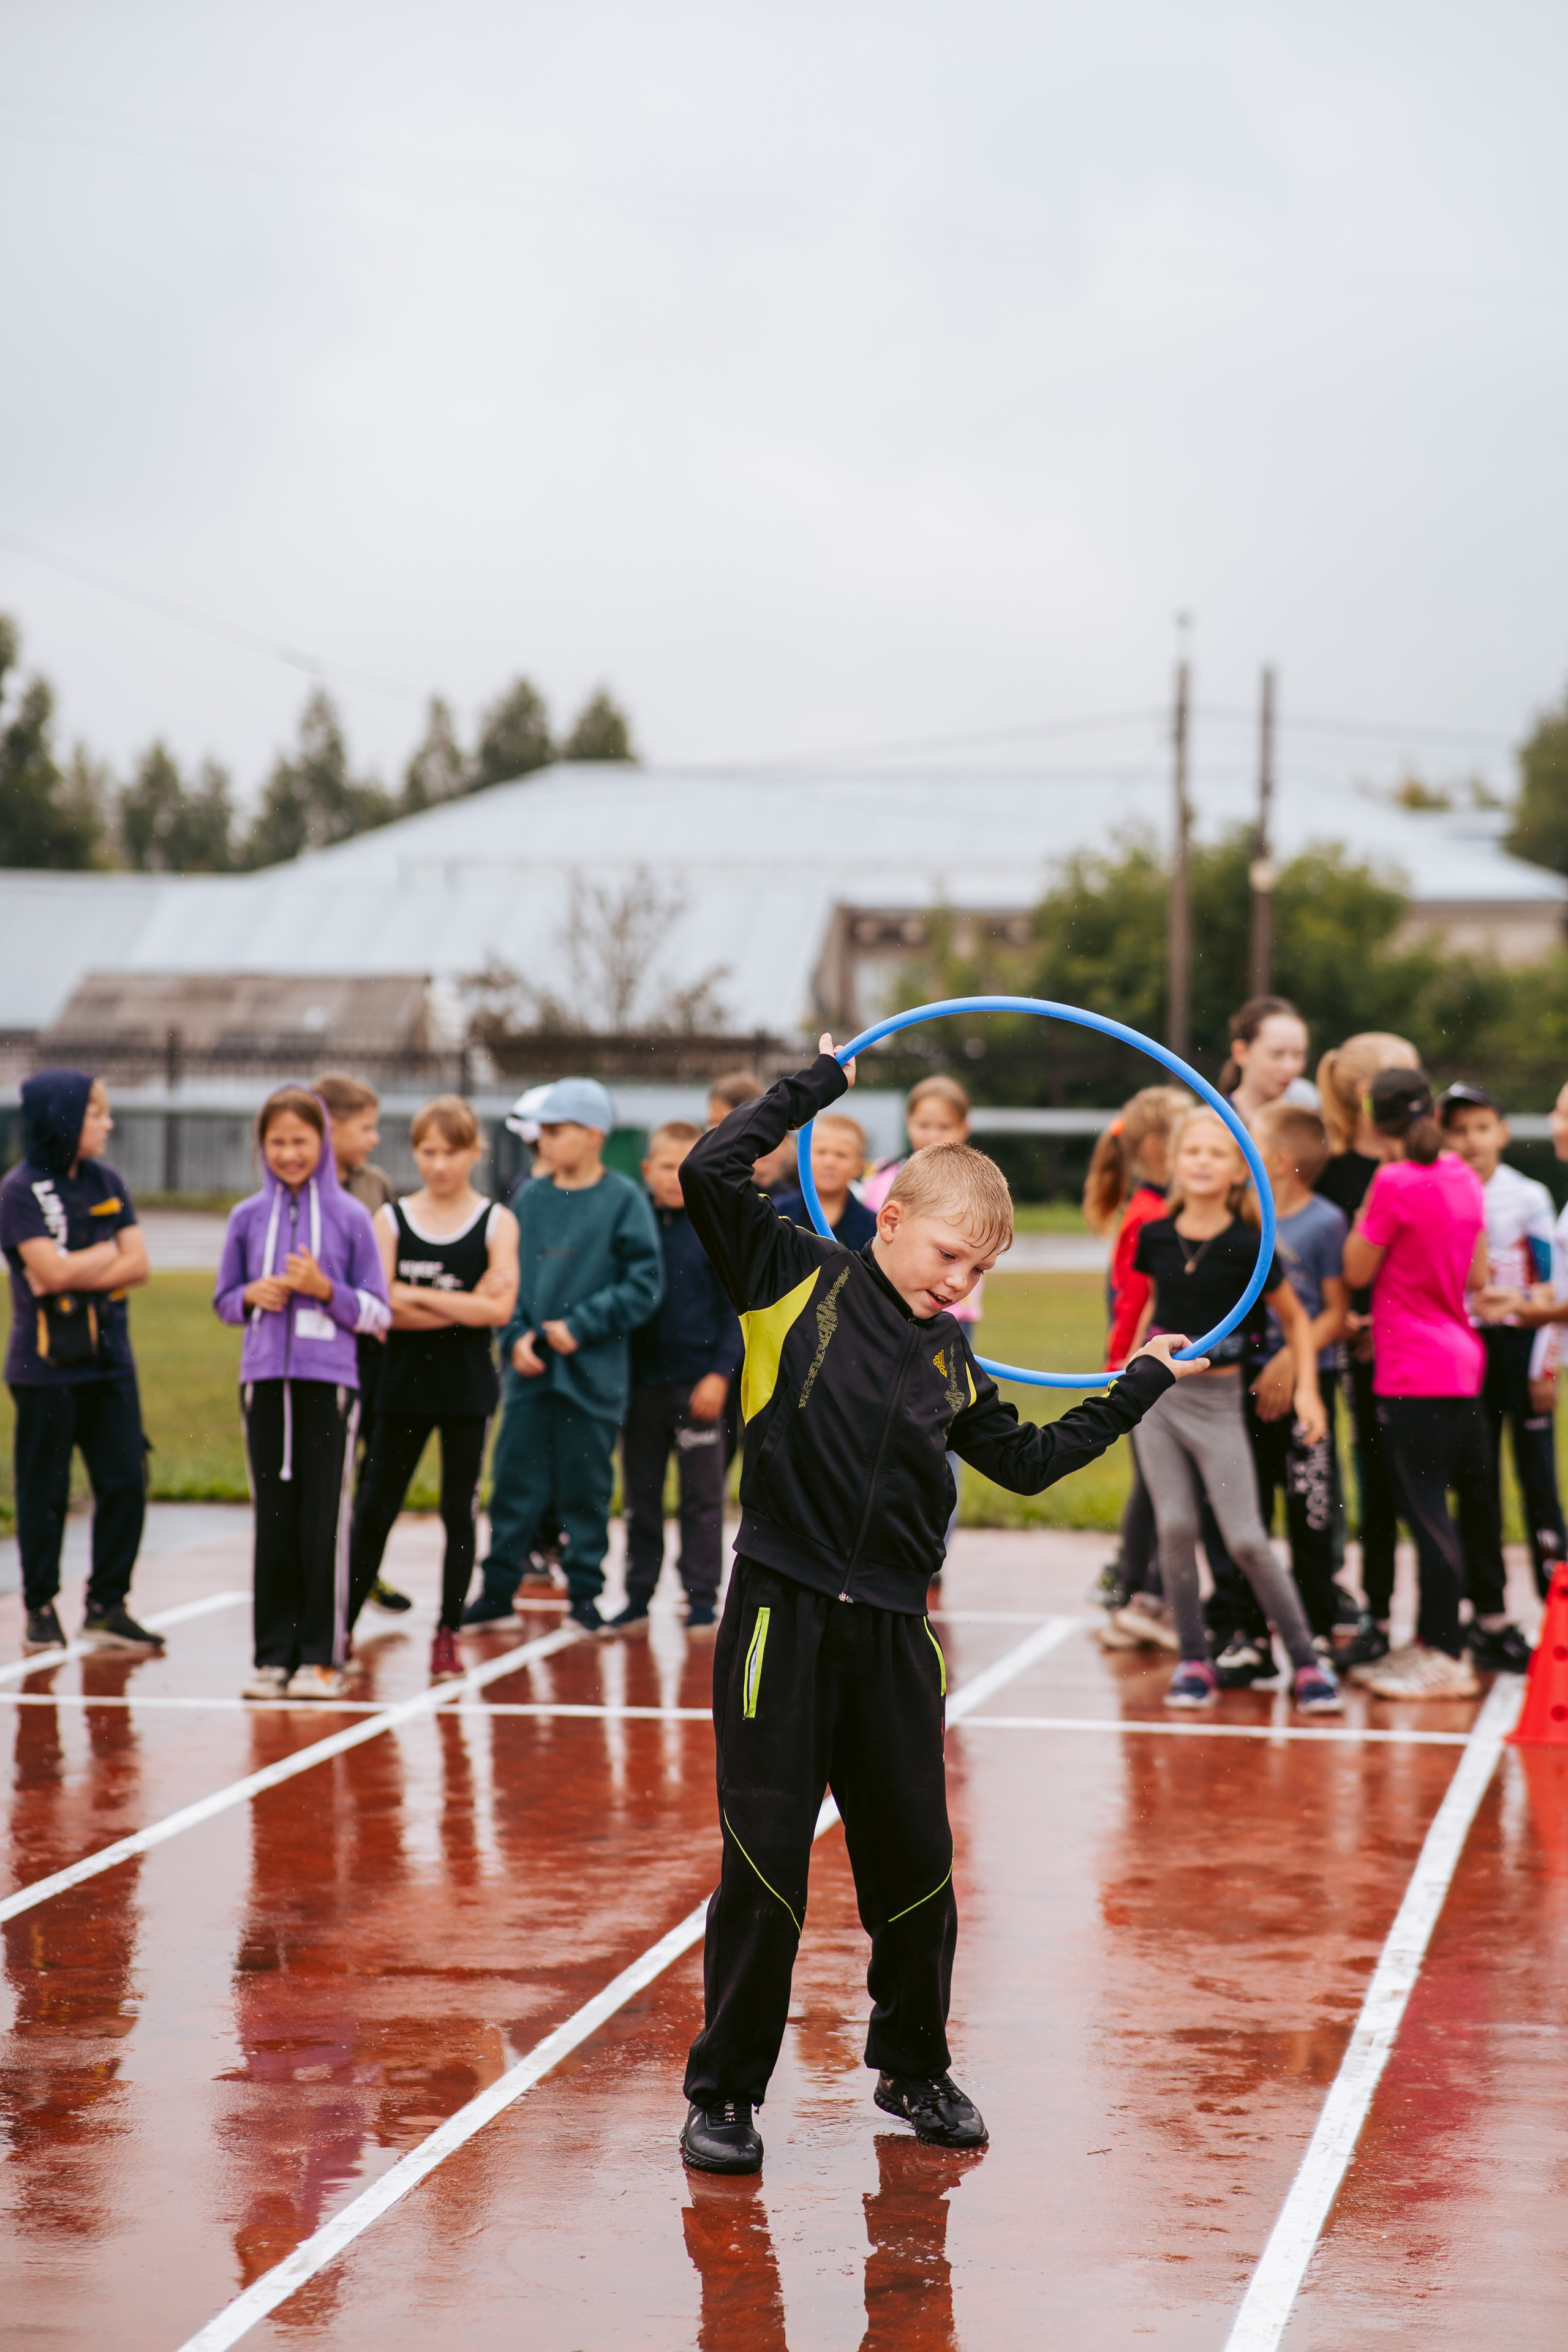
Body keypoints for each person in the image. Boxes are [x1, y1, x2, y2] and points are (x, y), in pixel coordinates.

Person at [675, 1036, 1200, 2176]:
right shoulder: (791, 1278)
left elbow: (1031, 1460)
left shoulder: (950, 1365)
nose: (959, 1285)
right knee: (765, 1865)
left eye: (978, 1274)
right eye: (950, 1256)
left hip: (894, 1634)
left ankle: (912, 2064)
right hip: (782, 1612)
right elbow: (709, 1172)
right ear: (891, 1213)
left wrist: (1143, 1381)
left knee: (916, 1867)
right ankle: (724, 2094)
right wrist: (815, 1088)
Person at [1129, 1107, 1342, 1714]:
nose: (1201, 1161)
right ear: (1174, 1161)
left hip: (1222, 1403)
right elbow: (1149, 1311)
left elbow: (1297, 1320)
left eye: (1216, 1153)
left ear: (1240, 1170)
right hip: (1161, 1403)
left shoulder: (1251, 1244)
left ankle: (1305, 1661)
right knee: (1174, 1528)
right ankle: (1193, 1659)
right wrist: (1127, 1375)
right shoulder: (1154, 1237)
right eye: (1191, 1150)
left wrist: (1305, 1391)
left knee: (1247, 1537)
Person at [1342, 1069, 1532, 1697]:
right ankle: (1432, 1639)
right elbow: (1477, 1275)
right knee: (1451, 1507)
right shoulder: (1459, 1174)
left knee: (1424, 1514)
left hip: (1411, 1368)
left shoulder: (1394, 1181)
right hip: (1462, 1359)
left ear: (1374, 1121)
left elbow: (1354, 1266)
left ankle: (1444, 1653)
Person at [462, 1077, 663, 1635]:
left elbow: (644, 1283)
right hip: (528, 1374)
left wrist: (582, 1326)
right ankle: (498, 1591)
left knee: (587, 1488)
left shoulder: (624, 1199)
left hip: (594, 1376)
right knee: (512, 1484)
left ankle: (584, 1595)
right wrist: (516, 1337)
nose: (544, 1141)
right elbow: (509, 1277)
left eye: (557, 1130)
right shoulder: (529, 1195)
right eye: (542, 1131)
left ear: (594, 1135)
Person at [214, 1087, 390, 1701]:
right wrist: (249, 1296)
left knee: (323, 1522)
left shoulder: (350, 1217)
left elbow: (376, 1312)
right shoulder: (246, 1217)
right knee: (275, 1522)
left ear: (322, 1144)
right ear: (262, 1147)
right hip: (264, 1384)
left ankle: (322, 1656)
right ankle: (273, 1657)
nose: (290, 1153)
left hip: (329, 1385)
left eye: (301, 1140)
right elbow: (223, 1302)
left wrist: (323, 1288)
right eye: (278, 1141)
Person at [347, 1096, 519, 1679]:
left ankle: (447, 1630)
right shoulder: (390, 1219)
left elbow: (500, 1309)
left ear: (475, 1152)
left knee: (458, 1510)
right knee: (376, 1508)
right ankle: (341, 1626)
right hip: (400, 1386)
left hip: (467, 1389)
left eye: (451, 1152)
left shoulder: (497, 1220)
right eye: (427, 1151)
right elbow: (383, 1309)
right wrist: (464, 1303)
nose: (438, 1164)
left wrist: (417, 1297)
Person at [1, 1068, 157, 1657]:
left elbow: (138, 1264)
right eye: (96, 1113)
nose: (108, 1123)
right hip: (46, 1369)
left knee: (125, 1481)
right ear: (64, 1118)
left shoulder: (106, 1179)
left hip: (110, 1362)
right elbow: (48, 1273)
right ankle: (40, 1605)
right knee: (44, 1490)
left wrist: (77, 1262)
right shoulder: (20, 1190)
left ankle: (107, 1604)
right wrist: (101, 1255)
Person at [1207, 1102, 1351, 1685]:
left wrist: (1295, 1359)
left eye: (1254, 1141)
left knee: (1310, 1512)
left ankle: (1313, 1629)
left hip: (1306, 1387)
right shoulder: (1243, 1223)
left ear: (1279, 1162)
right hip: (1246, 1384)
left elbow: (1335, 1311)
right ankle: (1246, 1633)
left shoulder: (1324, 1223)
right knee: (1247, 1513)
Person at [1313, 1030, 1422, 1668]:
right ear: (1366, 1093)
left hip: (1418, 1350)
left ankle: (1453, 1619)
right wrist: (1348, 1321)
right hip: (1355, 1355)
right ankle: (1375, 1615)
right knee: (1375, 1486)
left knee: (1430, 1491)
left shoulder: (1422, 1167)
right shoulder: (1333, 1174)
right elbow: (1329, 1268)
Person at [613, 1121, 743, 1634]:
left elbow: (737, 1310)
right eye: (664, 1166)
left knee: (702, 1497)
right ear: (647, 1170)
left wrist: (718, 1375)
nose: (673, 1178)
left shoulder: (712, 1227)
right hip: (639, 1387)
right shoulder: (633, 1224)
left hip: (699, 1387)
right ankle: (637, 1593)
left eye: (683, 1168)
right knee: (641, 1495)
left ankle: (702, 1596)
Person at [1439, 1082, 1566, 1600]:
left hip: (1522, 1347)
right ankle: (1487, 1604)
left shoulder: (1529, 1195)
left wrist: (1544, 1367)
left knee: (1538, 1478)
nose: (1472, 1141)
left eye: (1483, 1128)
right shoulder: (1442, 1189)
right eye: (1459, 1130)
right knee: (1476, 1477)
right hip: (1467, 1351)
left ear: (1504, 1132)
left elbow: (1550, 1285)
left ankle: (1554, 1603)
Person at [1081, 1084, 1194, 1646]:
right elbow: (1130, 1299)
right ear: (1157, 1147)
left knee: (1154, 1485)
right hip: (1144, 1365)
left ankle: (1136, 1590)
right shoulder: (1149, 1215)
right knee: (1157, 1484)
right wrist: (1127, 1366)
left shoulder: (1158, 1208)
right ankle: (1139, 1592)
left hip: (1150, 1362)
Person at [314, 1070, 413, 1617]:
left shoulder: (375, 1183)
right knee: (330, 1468)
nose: (375, 1139)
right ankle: (322, 1571)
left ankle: (359, 1567)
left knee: (375, 1469)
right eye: (366, 1127)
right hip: (325, 1351)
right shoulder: (302, 1189)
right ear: (331, 1128)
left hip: (377, 1350)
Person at [772, 1112, 877, 1249]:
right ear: (802, 1159)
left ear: (859, 1167)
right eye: (821, 1152)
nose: (830, 1162)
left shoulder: (872, 1226)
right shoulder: (778, 1213)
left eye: (841, 1155)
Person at [1216, 995, 1314, 1126]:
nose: (1289, 1067)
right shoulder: (1216, 1123)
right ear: (1241, 1053)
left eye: (1298, 1055)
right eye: (1277, 1054)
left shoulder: (1310, 1119)